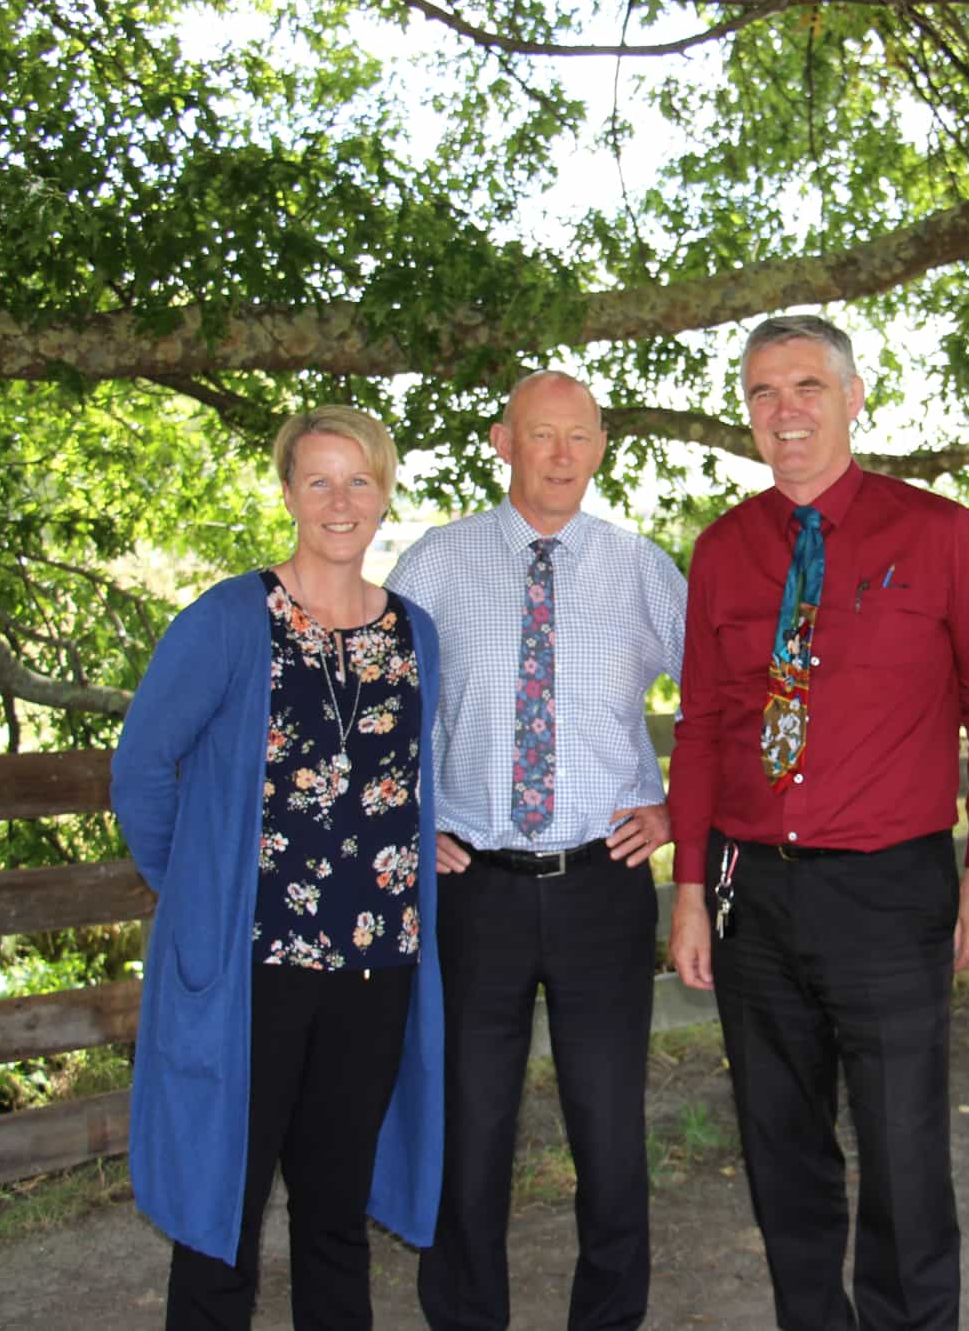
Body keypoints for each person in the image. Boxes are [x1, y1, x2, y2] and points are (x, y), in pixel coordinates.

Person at [666, 314, 969, 1331]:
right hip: (752, 894)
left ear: (854, 397)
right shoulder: (723, 549)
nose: (785, 411)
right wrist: (689, 888)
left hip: (890, 889)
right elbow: (701, 726)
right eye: (763, 392)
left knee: (904, 1151)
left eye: (807, 386)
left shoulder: (936, 533)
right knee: (780, 1146)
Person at [111, 405, 445, 1329]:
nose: (340, 501)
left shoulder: (415, 634)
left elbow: (414, 780)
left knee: (336, 1215)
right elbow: (141, 768)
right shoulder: (229, 619)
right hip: (253, 968)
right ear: (289, 492)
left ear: (384, 493)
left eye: (359, 480)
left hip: (376, 965)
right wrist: (196, 894)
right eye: (318, 480)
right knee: (222, 1215)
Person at [389, 370, 687, 1331]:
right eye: (541, 434)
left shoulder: (640, 567)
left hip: (604, 883)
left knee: (610, 1130)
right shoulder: (437, 563)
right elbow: (380, 706)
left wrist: (680, 807)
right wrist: (410, 822)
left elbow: (725, 693)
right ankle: (465, 1317)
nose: (561, 455)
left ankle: (609, 1318)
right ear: (502, 440)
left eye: (580, 436)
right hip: (475, 888)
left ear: (600, 446)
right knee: (470, 1128)